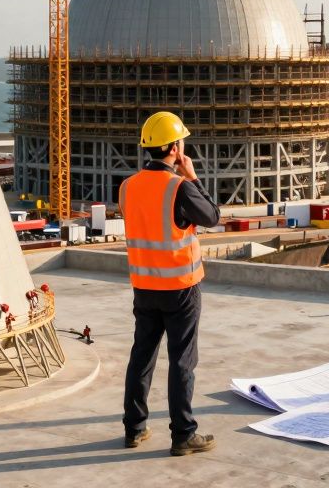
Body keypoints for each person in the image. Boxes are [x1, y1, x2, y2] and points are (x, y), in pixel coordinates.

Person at [119, 111, 221, 456]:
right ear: (176, 148)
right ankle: (183, 435)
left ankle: (134, 429)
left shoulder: (127, 187)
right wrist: (192, 178)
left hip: (144, 286)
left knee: (142, 356)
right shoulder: (179, 187)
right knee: (182, 362)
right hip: (180, 287)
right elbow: (212, 217)